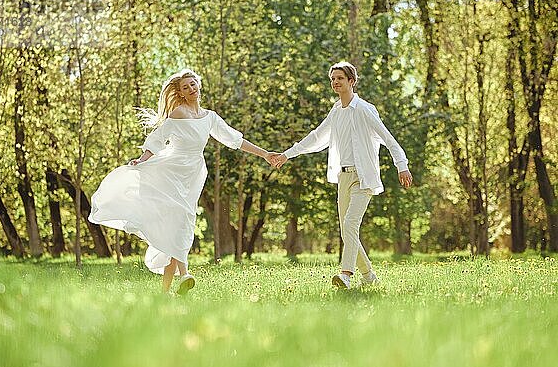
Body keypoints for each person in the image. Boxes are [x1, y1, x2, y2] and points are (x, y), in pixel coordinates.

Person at [89, 69, 276, 294]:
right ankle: (185, 274)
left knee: (179, 223)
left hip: (193, 173)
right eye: (186, 87)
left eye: (193, 84)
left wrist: (265, 154)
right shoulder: (178, 113)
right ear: (181, 92)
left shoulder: (210, 118)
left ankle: (165, 292)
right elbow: (157, 139)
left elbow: (235, 140)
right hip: (171, 170)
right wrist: (142, 159)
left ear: (199, 85)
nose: (191, 89)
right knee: (181, 217)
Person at [271, 61, 413, 290]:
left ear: (351, 81)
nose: (335, 82)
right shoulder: (336, 111)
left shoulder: (365, 110)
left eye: (340, 78)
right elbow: (316, 138)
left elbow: (388, 139)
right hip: (343, 177)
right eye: (332, 79)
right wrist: (287, 155)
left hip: (364, 177)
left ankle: (346, 274)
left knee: (350, 224)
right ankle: (369, 277)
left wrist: (402, 165)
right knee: (348, 230)